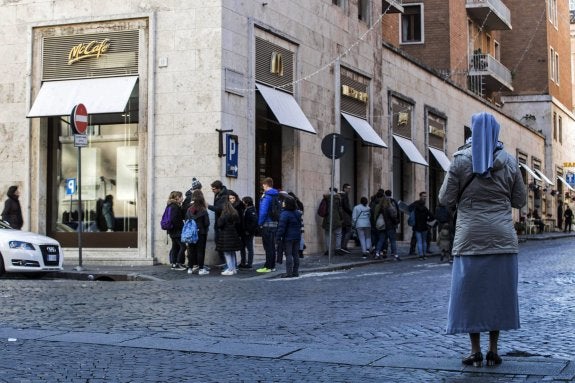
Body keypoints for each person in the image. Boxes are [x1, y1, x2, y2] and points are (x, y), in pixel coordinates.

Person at [439, 112, 526, 367]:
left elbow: (445, 199)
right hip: (502, 237)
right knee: (497, 295)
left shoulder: (459, 162)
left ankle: (474, 349)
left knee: (471, 296)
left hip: (469, 238)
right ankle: (494, 349)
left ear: (473, 133)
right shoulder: (510, 163)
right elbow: (519, 201)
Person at [276, 196, 303, 278]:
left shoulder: (284, 214)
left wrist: (278, 237)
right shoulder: (298, 213)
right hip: (297, 236)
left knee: (289, 255)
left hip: (288, 237)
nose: (283, 203)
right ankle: (295, 272)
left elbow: (281, 227)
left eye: (284, 201)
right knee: (295, 254)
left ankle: (289, 273)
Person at [256, 177, 280, 273]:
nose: (263, 187)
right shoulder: (276, 195)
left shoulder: (266, 196)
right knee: (272, 247)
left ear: (265, 185)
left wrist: (260, 223)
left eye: (263, 185)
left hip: (267, 225)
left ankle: (268, 267)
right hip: (274, 224)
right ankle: (272, 266)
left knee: (268, 247)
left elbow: (263, 212)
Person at [185, 189, 210, 275]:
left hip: (191, 233)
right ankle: (201, 269)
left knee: (191, 251)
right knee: (200, 251)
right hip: (201, 232)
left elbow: (187, 220)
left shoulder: (189, 209)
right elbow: (207, 223)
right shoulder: (203, 210)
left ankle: (190, 268)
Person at [216, 199, 243, 276]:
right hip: (233, 234)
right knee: (232, 253)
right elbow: (238, 224)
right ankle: (233, 269)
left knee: (227, 253)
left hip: (226, 235)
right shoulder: (235, 213)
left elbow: (219, 224)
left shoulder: (224, 215)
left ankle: (230, 269)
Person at [319, 188, 348, 255]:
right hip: (337, 219)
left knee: (327, 235)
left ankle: (328, 250)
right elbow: (340, 210)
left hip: (327, 219)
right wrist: (342, 218)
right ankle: (337, 249)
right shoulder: (338, 198)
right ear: (336, 191)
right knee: (338, 234)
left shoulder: (326, 198)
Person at [208, 180, 229, 263]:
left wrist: (208, 206)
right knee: (218, 243)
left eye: (213, 189)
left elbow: (219, 209)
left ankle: (225, 263)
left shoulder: (224, 196)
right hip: (218, 222)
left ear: (218, 189)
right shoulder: (217, 194)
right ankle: (223, 262)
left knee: (222, 244)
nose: (212, 191)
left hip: (222, 223)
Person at [409, 192, 434, 260]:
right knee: (424, 241)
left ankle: (420, 255)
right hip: (424, 226)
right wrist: (428, 220)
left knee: (419, 241)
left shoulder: (415, 205)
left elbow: (408, 208)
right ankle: (424, 255)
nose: (425, 198)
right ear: (420, 196)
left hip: (417, 226)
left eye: (425, 196)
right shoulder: (425, 208)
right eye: (424, 196)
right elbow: (432, 216)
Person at [166, 191, 186, 270]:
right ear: (177, 197)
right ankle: (177, 264)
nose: (182, 198)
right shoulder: (174, 206)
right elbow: (174, 219)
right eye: (181, 197)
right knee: (183, 246)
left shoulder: (170, 205)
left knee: (175, 246)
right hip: (176, 231)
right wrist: (181, 226)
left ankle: (174, 264)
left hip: (172, 230)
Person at [227, 190, 245, 268]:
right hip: (233, 230)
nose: (232, 200)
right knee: (233, 248)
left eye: (233, 198)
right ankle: (234, 264)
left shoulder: (239, 206)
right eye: (230, 198)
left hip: (238, 229)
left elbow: (240, 220)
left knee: (241, 247)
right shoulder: (230, 207)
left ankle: (242, 262)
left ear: (236, 197)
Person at [241, 196, 258, 269]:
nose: (242, 202)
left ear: (246, 202)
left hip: (248, 232)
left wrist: (249, 231)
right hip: (244, 232)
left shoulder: (251, 210)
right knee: (242, 247)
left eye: (243, 201)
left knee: (249, 248)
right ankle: (243, 262)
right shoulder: (247, 209)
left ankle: (249, 263)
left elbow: (254, 222)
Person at [339, 183, 353, 252]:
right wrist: (351, 212)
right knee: (348, 231)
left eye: (350, 188)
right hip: (346, 216)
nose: (349, 190)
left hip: (342, 216)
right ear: (344, 188)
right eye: (348, 188)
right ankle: (344, 246)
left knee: (343, 232)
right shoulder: (345, 195)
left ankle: (342, 246)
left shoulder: (340, 195)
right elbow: (345, 206)